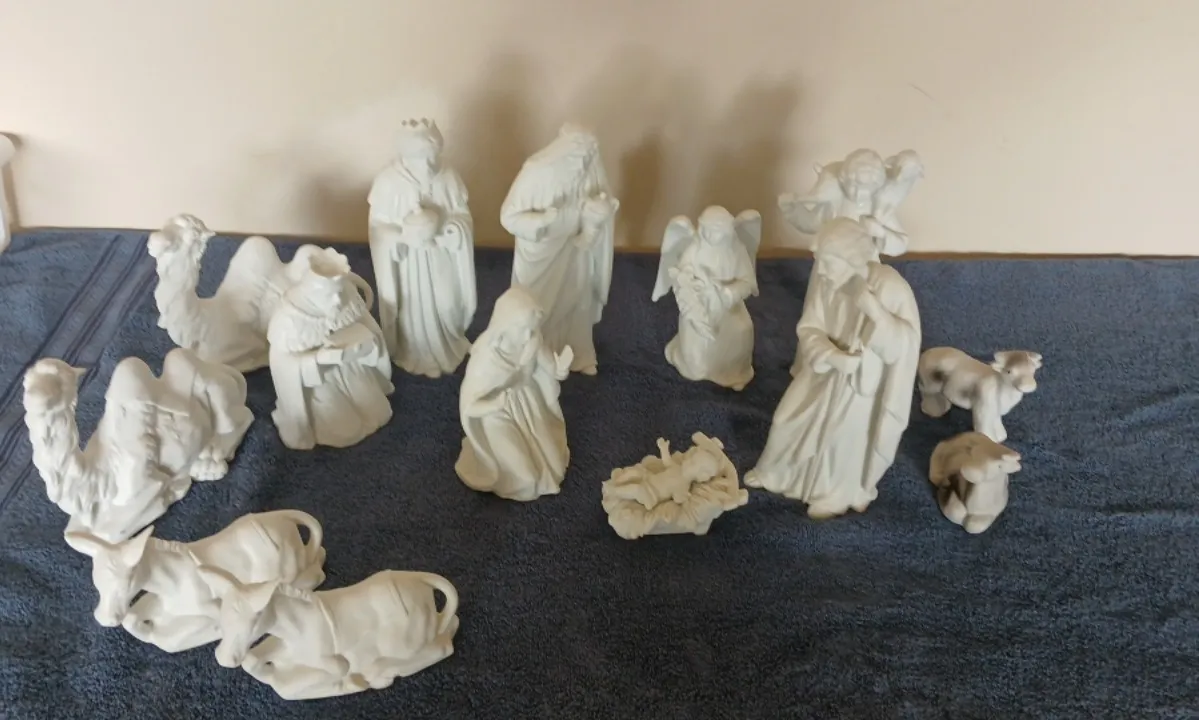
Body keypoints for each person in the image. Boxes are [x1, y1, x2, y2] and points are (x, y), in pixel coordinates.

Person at [744, 218, 921, 519]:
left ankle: (837, 492)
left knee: (843, 438)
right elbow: (810, 327)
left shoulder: (889, 286)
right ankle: (776, 473)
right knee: (787, 417)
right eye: (819, 262)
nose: (821, 270)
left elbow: (904, 345)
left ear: (851, 257)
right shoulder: (828, 283)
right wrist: (830, 355)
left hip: (861, 383)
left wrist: (876, 312)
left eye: (827, 262)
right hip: (825, 368)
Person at [500, 124, 619, 376]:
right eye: (579, 155)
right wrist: (542, 221)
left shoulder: (589, 171)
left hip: (576, 247)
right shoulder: (536, 171)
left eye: (589, 155)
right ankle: (532, 358)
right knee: (536, 304)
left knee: (578, 296)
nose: (585, 163)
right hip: (543, 250)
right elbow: (509, 217)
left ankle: (577, 353)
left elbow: (602, 202)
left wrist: (598, 216)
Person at [368, 118, 476, 378]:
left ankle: (448, 344)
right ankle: (416, 352)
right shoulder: (388, 181)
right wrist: (402, 235)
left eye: (432, 156)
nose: (428, 165)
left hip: (441, 254)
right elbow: (377, 226)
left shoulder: (447, 175)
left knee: (448, 304)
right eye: (420, 158)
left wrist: (453, 230)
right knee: (412, 307)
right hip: (408, 262)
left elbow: (462, 215)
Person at [267, 250, 394, 450]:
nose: (337, 301)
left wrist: (366, 342)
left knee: (379, 412)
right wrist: (318, 359)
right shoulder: (288, 317)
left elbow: (365, 323)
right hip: (318, 382)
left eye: (339, 293)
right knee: (345, 430)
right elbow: (282, 363)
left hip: (351, 367)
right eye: (329, 295)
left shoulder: (345, 294)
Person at [455, 286, 572, 501]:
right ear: (506, 324)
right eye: (523, 328)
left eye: (532, 329)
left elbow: (549, 366)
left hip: (528, 405)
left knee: (554, 465)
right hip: (496, 416)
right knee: (526, 479)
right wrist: (496, 404)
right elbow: (470, 406)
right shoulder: (486, 358)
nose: (528, 335)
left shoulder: (532, 339)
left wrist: (560, 370)